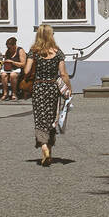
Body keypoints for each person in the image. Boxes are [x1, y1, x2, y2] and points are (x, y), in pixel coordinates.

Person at [23, 24, 73, 166]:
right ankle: (49, 151)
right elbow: (63, 74)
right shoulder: (58, 52)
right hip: (52, 88)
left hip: (39, 87)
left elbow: (26, 71)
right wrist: (68, 89)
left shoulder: (34, 51)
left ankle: (44, 147)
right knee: (51, 118)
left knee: (40, 118)